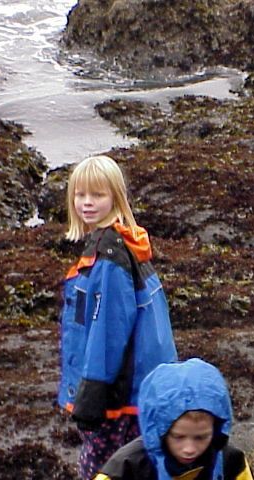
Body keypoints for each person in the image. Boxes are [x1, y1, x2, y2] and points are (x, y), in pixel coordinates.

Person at [57, 155, 178, 479]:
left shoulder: (110, 258)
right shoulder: (124, 244)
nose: (87, 202)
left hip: (119, 393)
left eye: (97, 195)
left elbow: (107, 331)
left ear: (116, 197)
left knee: (100, 469)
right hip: (141, 386)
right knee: (136, 464)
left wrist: (91, 393)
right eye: (80, 194)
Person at [93, 358, 253, 480]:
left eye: (201, 437)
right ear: (160, 431)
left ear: (216, 429)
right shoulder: (125, 468)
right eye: (178, 437)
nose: (189, 449)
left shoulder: (231, 462)